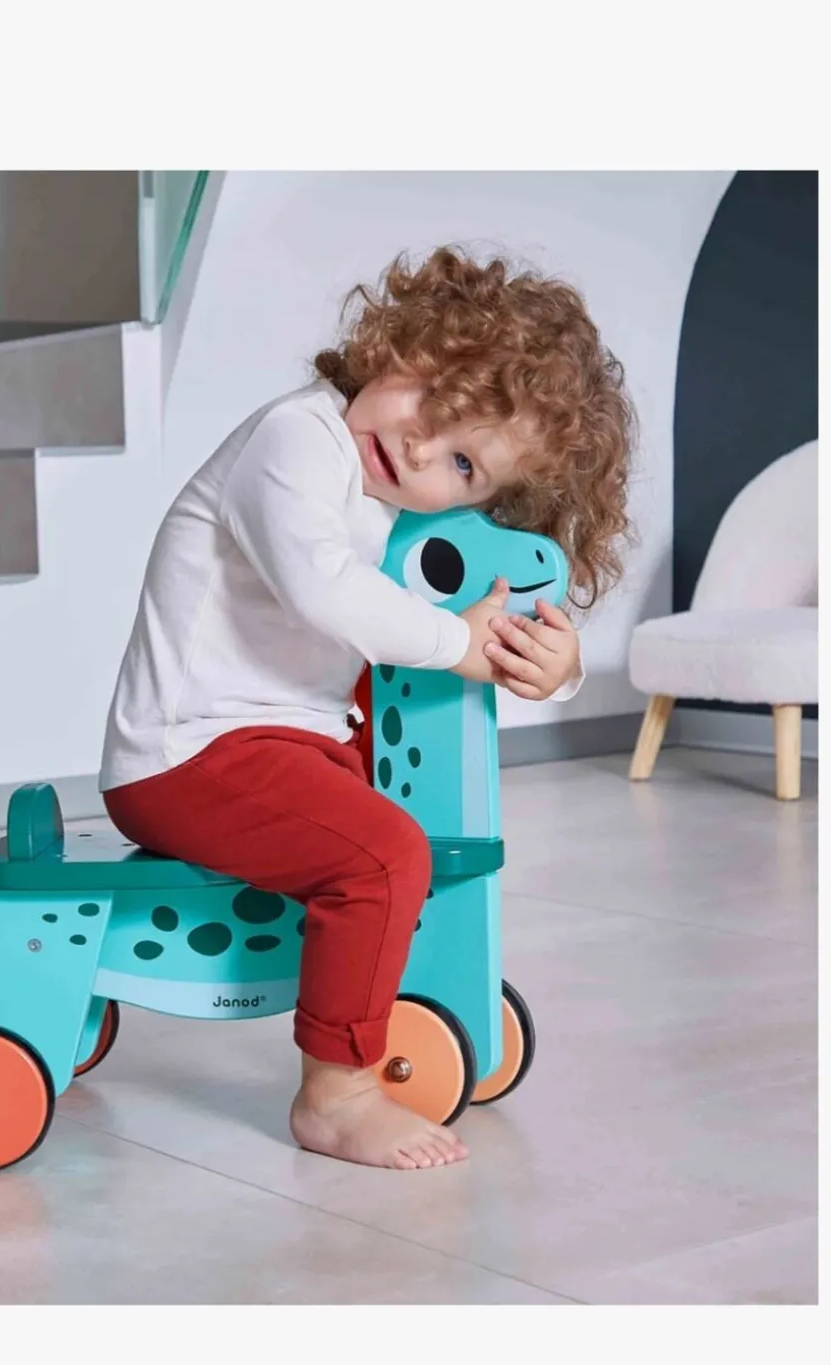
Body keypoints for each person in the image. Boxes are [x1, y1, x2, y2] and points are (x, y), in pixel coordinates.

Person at [99, 246, 634, 1169]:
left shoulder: (392, 493)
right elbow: (326, 589)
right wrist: (460, 644)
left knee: (406, 829)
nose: (420, 448)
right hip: (186, 753)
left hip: (283, 744)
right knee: (384, 854)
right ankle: (335, 1094)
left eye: (462, 463)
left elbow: (479, 597)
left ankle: (421, 999)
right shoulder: (297, 440)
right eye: (431, 398)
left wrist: (556, 667)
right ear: (398, 343)